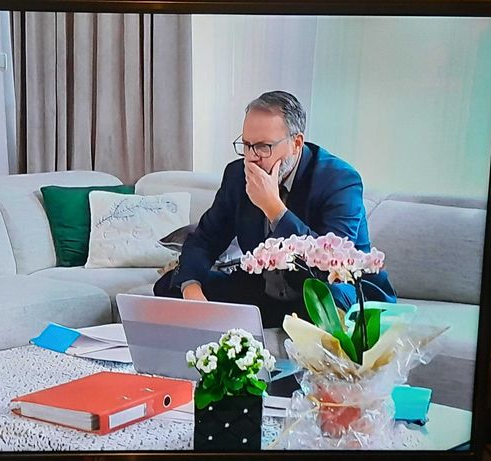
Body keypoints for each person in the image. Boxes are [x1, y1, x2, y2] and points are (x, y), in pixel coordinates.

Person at [154, 91, 394, 327]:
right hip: (267, 291)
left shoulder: (339, 180)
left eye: (263, 147)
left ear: (296, 144)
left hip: (331, 289)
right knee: (172, 285)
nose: (252, 158)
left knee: (330, 302)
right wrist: (192, 291)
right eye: (247, 145)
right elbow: (205, 239)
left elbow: (331, 264)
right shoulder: (237, 175)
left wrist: (274, 209)